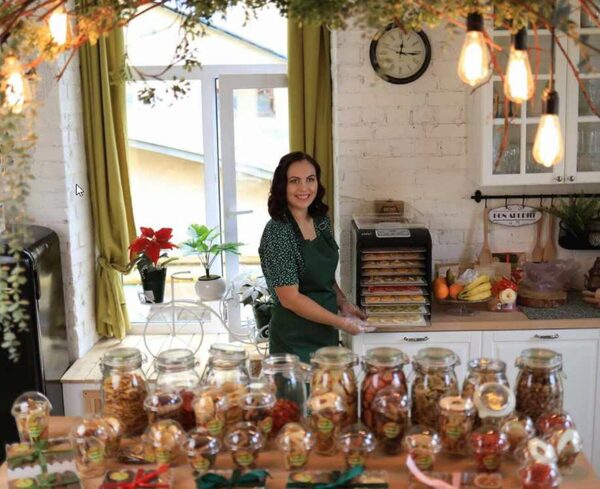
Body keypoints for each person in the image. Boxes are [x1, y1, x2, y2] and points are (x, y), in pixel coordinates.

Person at [259, 151, 373, 363]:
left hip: (326, 333)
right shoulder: (278, 232)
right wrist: (341, 323)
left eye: (310, 179)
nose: (304, 188)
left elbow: (325, 277)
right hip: (293, 340)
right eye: (294, 181)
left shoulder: (321, 221)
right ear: (282, 186)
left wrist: (343, 304)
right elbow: (290, 299)